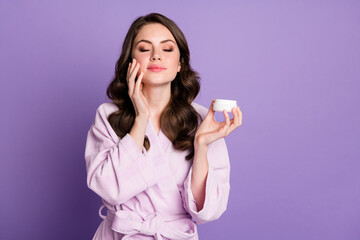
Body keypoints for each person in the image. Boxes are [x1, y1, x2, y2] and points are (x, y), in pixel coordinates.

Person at [84, 12, 242, 240]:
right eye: (144, 49)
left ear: (180, 64)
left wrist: (201, 146)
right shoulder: (108, 116)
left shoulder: (202, 121)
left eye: (167, 49)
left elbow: (207, 211)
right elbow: (109, 188)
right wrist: (141, 117)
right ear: (131, 61)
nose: (156, 56)